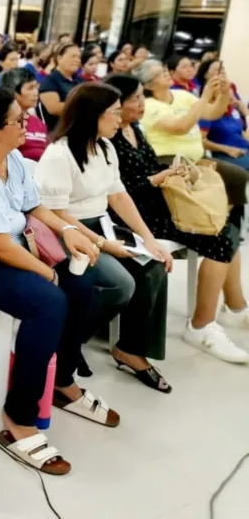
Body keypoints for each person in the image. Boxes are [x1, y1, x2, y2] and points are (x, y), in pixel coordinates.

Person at [0, 89, 109, 476]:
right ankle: (18, 418)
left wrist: (68, 230)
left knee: (81, 286)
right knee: (48, 301)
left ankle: (60, 382)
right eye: (18, 120)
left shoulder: (9, 157)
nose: (27, 123)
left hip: (4, 245)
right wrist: (47, 272)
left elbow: (33, 205)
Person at [35, 83, 174, 392]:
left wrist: (148, 239)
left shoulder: (106, 147)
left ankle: (130, 348)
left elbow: (118, 196)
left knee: (154, 267)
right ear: (92, 116)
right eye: (113, 113)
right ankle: (70, 339)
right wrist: (102, 245)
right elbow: (55, 214)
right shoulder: (60, 153)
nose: (118, 119)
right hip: (65, 231)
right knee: (120, 283)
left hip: (101, 225)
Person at [106, 74, 249, 364]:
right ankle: (201, 326)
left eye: (140, 96)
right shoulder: (110, 137)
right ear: (117, 103)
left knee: (226, 227)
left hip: (156, 200)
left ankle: (234, 307)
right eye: (134, 98)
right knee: (219, 238)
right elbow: (120, 190)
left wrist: (172, 171)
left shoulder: (134, 128)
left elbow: (147, 166)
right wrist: (160, 177)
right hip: (134, 212)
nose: (140, 102)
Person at [135, 61, 249, 221]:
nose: (166, 74)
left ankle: (224, 220)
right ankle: (208, 220)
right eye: (159, 74)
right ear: (149, 85)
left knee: (238, 176)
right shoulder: (149, 105)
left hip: (195, 158)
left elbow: (212, 113)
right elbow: (180, 127)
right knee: (207, 186)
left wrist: (224, 93)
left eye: (165, 70)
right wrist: (206, 96)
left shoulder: (182, 95)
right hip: (169, 160)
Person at [0, 68, 49, 161]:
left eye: (36, 87)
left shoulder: (38, 122)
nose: (36, 93)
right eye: (30, 88)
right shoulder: (3, 123)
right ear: (13, 92)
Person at [39, 43, 82, 131]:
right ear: (59, 58)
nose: (77, 60)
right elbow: (53, 108)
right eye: (73, 56)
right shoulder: (50, 80)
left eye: (79, 57)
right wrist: (83, 107)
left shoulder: (79, 81)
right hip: (57, 132)